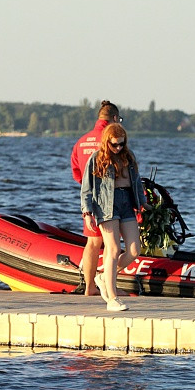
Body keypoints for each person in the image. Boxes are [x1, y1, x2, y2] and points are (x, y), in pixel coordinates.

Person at [80, 123, 148, 312]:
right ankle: (112, 297)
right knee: (113, 248)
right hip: (106, 205)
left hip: (127, 201)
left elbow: (136, 181)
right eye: (114, 145)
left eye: (121, 144)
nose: (118, 148)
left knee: (134, 249)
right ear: (106, 142)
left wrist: (143, 202)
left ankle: (103, 276)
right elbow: (86, 189)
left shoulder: (128, 156)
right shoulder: (96, 159)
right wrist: (87, 213)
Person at [71, 100, 122, 296]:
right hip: (110, 200)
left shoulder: (82, 141)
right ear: (115, 119)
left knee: (92, 243)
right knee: (112, 245)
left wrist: (87, 188)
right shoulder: (110, 139)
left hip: (89, 200)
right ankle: (109, 285)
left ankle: (89, 286)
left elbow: (76, 170)